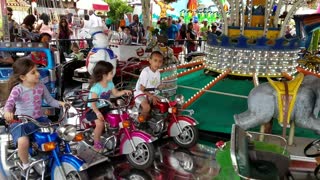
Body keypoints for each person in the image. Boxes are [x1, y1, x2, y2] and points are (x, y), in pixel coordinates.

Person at [3, 58, 65, 177]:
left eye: (37, 71)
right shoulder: (18, 89)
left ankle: (54, 155)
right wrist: (7, 112)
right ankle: (26, 165)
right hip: (21, 120)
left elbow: (50, 101)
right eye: (33, 72)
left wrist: (62, 104)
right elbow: (9, 105)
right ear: (22, 77)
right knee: (23, 141)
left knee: (58, 133)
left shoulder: (41, 86)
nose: (38, 74)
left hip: (39, 119)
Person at [86, 61, 131, 152]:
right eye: (111, 73)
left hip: (106, 106)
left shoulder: (110, 83)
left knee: (120, 115)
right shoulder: (96, 87)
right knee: (100, 124)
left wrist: (124, 91)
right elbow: (93, 103)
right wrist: (97, 113)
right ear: (104, 75)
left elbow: (116, 93)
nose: (112, 75)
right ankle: (96, 144)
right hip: (94, 109)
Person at [134, 51, 164, 120]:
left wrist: (164, 86)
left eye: (160, 61)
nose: (157, 63)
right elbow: (142, 89)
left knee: (163, 102)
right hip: (141, 93)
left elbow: (157, 85)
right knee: (146, 107)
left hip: (151, 93)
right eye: (155, 60)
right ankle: (140, 122)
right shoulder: (145, 72)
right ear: (150, 61)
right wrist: (152, 96)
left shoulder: (158, 73)